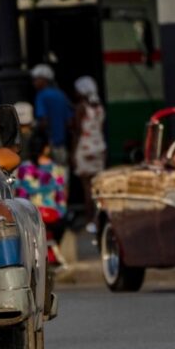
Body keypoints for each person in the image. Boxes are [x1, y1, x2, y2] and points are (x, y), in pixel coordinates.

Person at [15, 132, 68, 243]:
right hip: (52, 218)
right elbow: (61, 196)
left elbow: (19, 194)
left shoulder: (23, 168)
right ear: (46, 148)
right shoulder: (57, 169)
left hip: (29, 218)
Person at [71, 76, 106, 234]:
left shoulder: (81, 108)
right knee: (99, 188)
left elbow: (78, 132)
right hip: (99, 149)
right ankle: (101, 220)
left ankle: (90, 220)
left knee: (87, 188)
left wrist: (73, 153)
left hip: (84, 149)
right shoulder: (99, 108)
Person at [30, 64, 73, 166]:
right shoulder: (61, 94)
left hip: (49, 144)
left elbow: (43, 121)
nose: (34, 83)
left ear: (44, 80)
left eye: (36, 79)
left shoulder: (41, 96)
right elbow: (70, 121)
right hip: (62, 143)